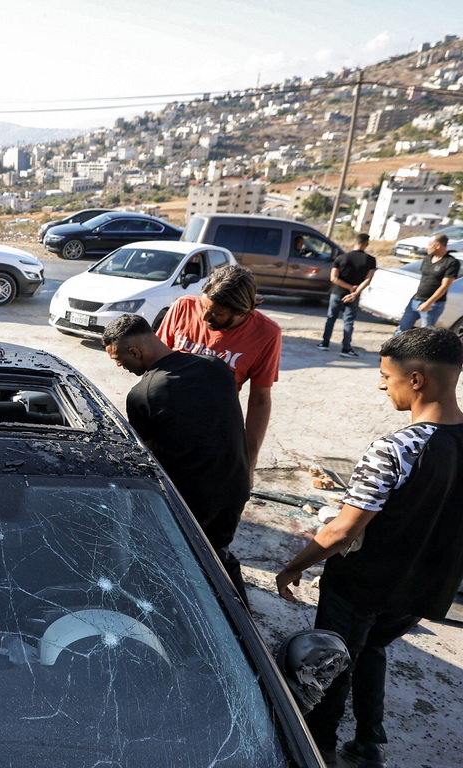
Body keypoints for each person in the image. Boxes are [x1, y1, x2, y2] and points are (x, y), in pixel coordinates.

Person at [276, 327, 463, 767]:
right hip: (420, 590)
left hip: (359, 585)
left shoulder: (398, 448)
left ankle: (317, 746)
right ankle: (368, 741)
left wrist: (293, 566)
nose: (381, 385)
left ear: (416, 379)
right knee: (373, 648)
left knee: (332, 663)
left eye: (386, 376)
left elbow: (343, 531)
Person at [103, 315, 251, 601]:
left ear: (135, 352)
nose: (120, 366)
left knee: (179, 565)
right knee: (217, 552)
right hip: (235, 487)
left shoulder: (143, 394)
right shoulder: (217, 368)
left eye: (118, 359)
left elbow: (146, 462)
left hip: (191, 501)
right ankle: (241, 617)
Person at [156, 264, 281, 475]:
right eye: (204, 307)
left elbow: (260, 400)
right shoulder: (184, 307)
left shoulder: (266, 333)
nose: (205, 318)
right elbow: (154, 365)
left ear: (243, 311)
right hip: (164, 424)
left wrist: (249, 460)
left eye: (217, 314)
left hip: (213, 436)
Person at [317, 233, 376, 358]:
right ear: (366, 245)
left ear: (354, 243)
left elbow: (334, 278)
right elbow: (368, 280)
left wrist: (347, 286)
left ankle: (325, 343)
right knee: (348, 321)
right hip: (353, 295)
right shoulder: (371, 260)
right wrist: (354, 292)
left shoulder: (341, 258)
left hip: (337, 292)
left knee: (331, 317)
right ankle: (346, 348)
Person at [396, 233, 459, 333]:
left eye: (429, 245)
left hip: (433, 304)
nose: (427, 248)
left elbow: (445, 286)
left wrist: (429, 303)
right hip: (416, 299)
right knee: (402, 329)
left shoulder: (451, 262)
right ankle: (393, 348)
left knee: (425, 333)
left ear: (438, 245)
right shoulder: (428, 258)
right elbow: (425, 279)